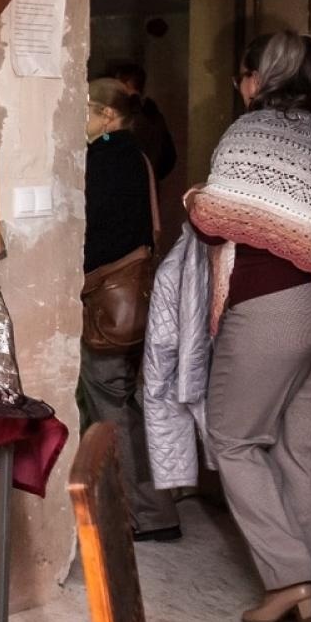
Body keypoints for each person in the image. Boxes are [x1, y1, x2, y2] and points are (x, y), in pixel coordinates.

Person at [185, 32, 311, 622]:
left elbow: (214, 219)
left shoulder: (252, 131)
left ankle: (289, 576)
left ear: (258, 77)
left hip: (276, 306)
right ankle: (307, 591)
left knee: (232, 438)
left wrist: (194, 198)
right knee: (310, 449)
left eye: (243, 77)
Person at [82, 78, 180, 542]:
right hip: (130, 299)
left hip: (108, 303)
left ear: (107, 115)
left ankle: (146, 512)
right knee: (121, 401)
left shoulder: (105, 156)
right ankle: (148, 507)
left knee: (111, 404)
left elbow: (97, 232)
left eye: (85, 107)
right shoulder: (133, 154)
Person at [107, 60, 176, 183]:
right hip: (144, 185)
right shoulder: (154, 115)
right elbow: (169, 157)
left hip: (126, 184)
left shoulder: (130, 116)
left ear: (127, 84)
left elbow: (110, 143)